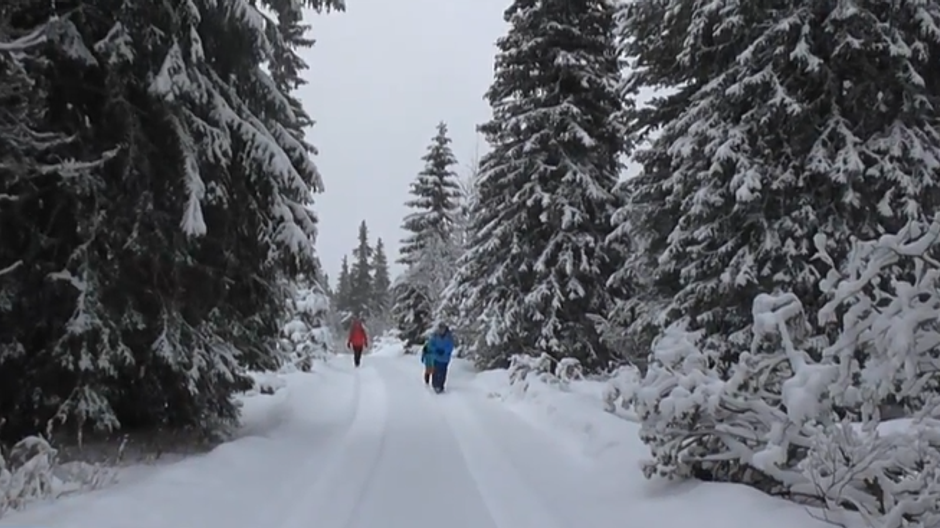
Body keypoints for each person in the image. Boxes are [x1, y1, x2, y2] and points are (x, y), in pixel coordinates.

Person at [426, 322, 455, 393]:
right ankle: (435, 385)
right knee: (435, 372)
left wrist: (444, 351)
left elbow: (450, 346)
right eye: (440, 329)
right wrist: (436, 350)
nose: (441, 330)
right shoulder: (435, 336)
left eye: (443, 329)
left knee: (442, 372)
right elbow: (431, 344)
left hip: (445, 359)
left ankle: (441, 386)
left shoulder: (449, 337)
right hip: (436, 358)